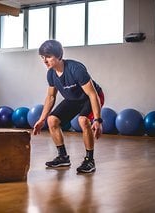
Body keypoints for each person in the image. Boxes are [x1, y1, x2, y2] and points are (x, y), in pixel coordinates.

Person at [33, 39, 104, 173]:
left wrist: (98, 120)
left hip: (91, 97)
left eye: (48, 57)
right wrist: (42, 119)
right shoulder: (51, 74)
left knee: (83, 120)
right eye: (43, 57)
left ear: (59, 56)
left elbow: (93, 94)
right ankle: (63, 157)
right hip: (73, 99)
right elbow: (51, 97)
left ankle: (90, 161)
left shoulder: (76, 69)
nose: (44, 61)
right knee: (51, 120)